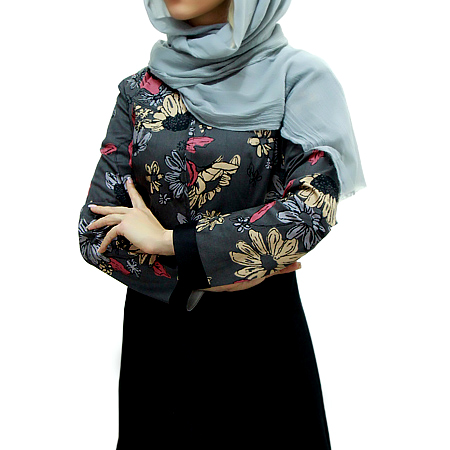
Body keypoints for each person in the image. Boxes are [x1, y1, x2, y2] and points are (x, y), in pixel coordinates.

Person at [78, 0, 366, 447]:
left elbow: (309, 213)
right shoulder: (140, 90)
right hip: (158, 345)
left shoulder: (297, 79)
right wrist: (230, 267)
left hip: (261, 343)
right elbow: (95, 231)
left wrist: (167, 242)